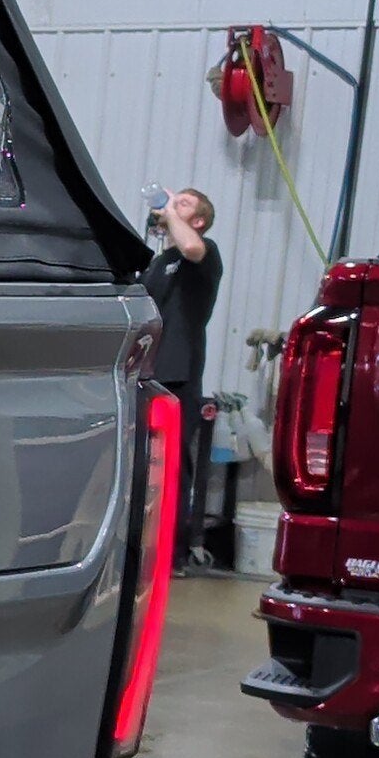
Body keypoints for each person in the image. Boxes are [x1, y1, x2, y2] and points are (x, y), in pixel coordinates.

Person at [147, 187, 222, 558]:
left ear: (199, 221)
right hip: (148, 374)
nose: (175, 205)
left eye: (185, 203)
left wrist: (169, 210)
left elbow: (191, 248)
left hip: (179, 374)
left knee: (172, 466)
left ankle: (172, 551)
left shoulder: (204, 255)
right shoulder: (160, 263)